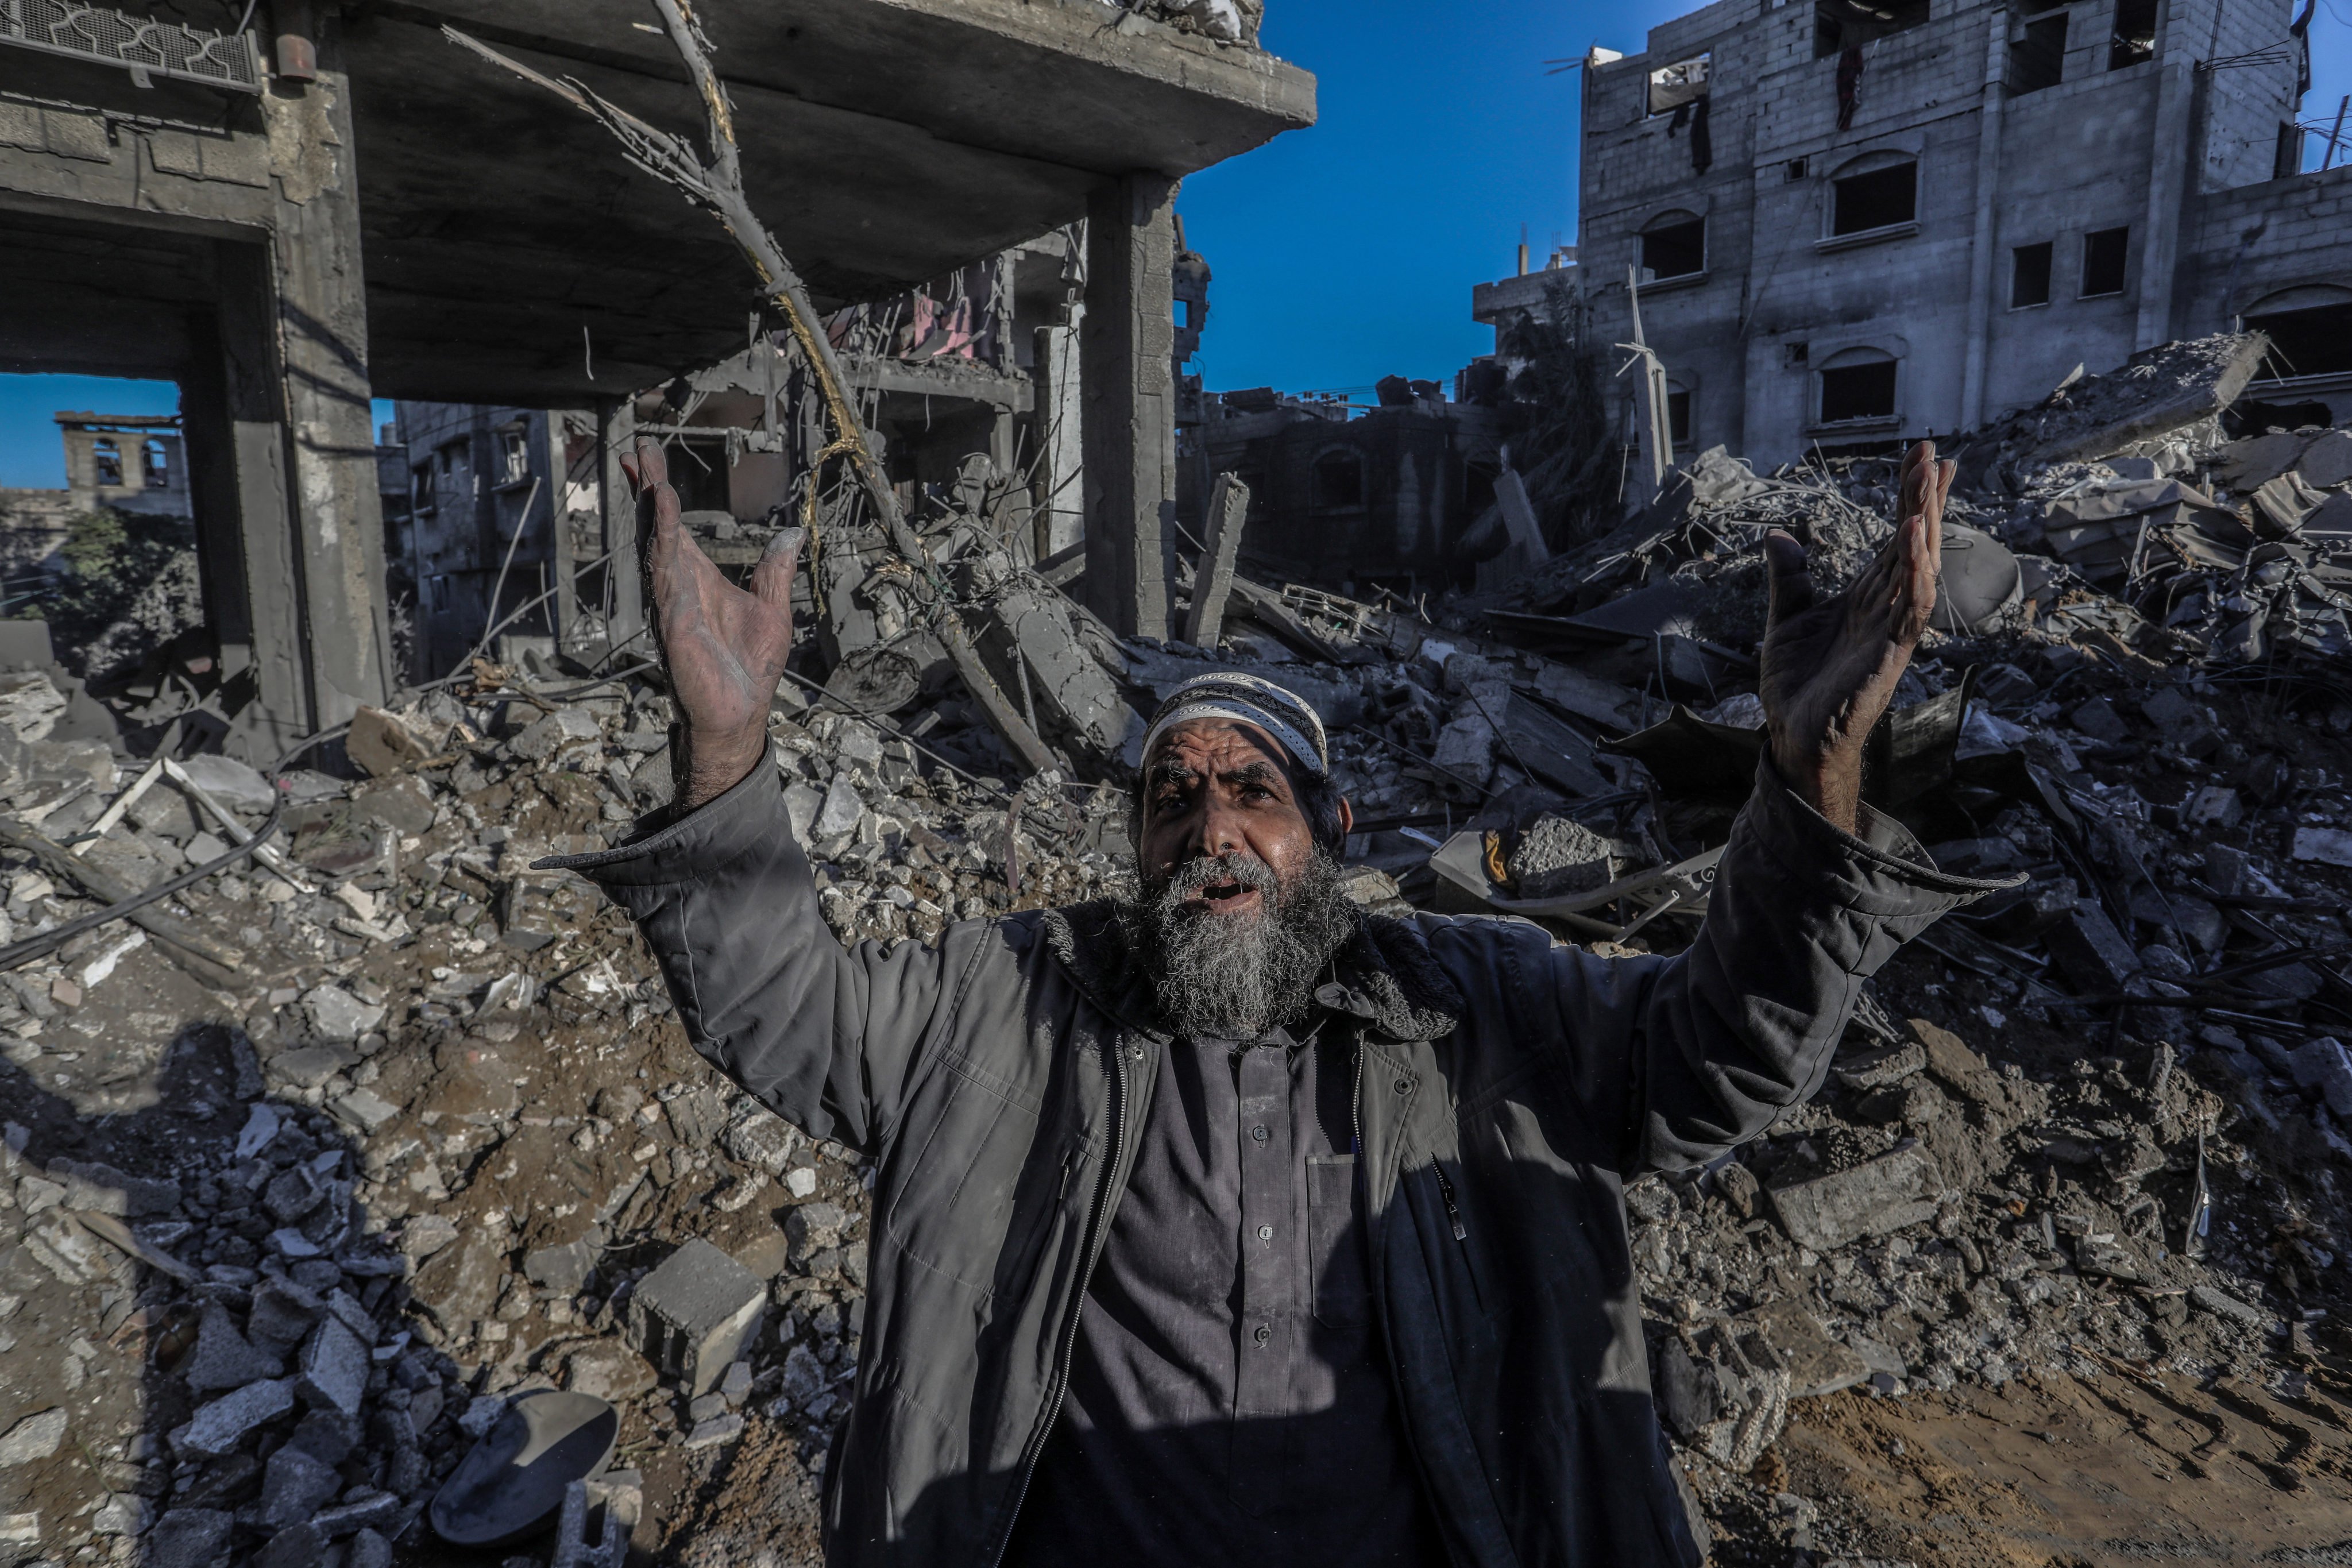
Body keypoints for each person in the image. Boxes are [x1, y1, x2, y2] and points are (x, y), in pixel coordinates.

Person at [549, 438, 2006, 1568]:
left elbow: (1711, 1064)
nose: (1209, 828)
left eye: (1252, 792)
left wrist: (1808, 777)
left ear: (1335, 828)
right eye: (1172, 801)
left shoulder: (1483, 1008)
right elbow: (785, 1014)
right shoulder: (1004, 1006)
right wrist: (726, 747)